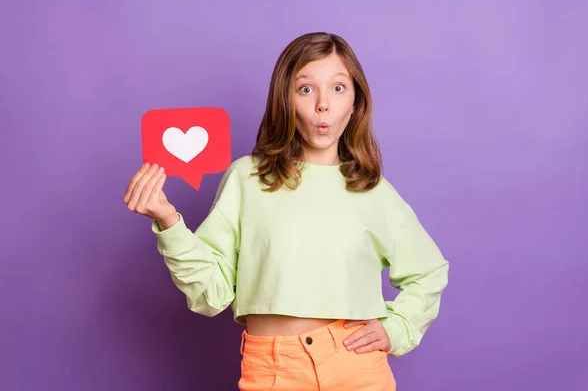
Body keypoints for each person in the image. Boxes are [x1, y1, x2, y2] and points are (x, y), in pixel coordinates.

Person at [124, 32, 449, 390]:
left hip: (357, 369)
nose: (323, 104)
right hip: (272, 369)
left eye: (338, 88)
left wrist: (397, 327)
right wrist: (169, 221)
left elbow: (429, 272)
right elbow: (211, 294)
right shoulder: (247, 179)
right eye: (306, 89)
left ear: (355, 102)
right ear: (285, 99)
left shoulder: (373, 191)